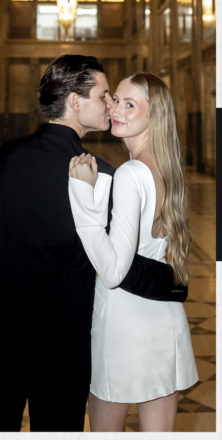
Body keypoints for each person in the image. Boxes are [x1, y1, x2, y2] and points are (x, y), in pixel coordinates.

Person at [0, 54, 181, 431]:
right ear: (74, 102)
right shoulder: (101, 175)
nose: (110, 105)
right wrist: (174, 283)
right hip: (61, 347)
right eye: (104, 96)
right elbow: (119, 267)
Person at [67, 73, 197, 432]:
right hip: (163, 318)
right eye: (115, 100)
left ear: (153, 115)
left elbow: (113, 271)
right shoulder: (168, 169)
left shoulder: (131, 173)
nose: (115, 110)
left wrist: (83, 198)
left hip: (124, 324)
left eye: (129, 104)